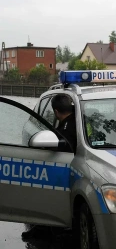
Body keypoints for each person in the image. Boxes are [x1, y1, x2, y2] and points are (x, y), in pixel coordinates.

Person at [21, 94, 76, 240]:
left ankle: (46, 226)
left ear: (56, 112)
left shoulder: (70, 127)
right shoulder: (75, 121)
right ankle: (43, 226)